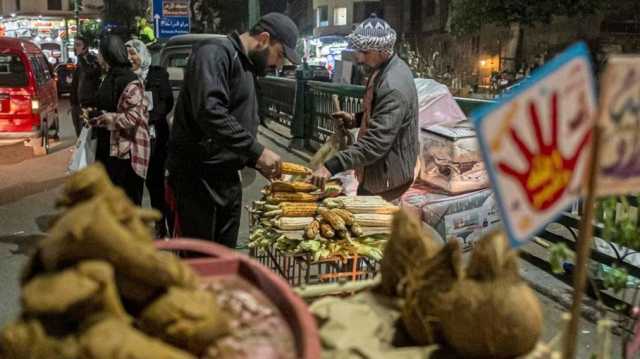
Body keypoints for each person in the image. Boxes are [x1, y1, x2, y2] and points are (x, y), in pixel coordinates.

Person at [167, 13, 300, 248]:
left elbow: (236, 123)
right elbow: (210, 111)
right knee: (201, 260)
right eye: (279, 55)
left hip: (227, 178)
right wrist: (256, 151)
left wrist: (254, 160)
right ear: (264, 38)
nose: (278, 65)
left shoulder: (247, 66)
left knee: (224, 255)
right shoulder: (215, 53)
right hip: (198, 179)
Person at [311, 14, 419, 203]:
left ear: (382, 50)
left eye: (365, 52)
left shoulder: (393, 85)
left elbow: (376, 143)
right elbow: (381, 112)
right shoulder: (383, 68)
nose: (359, 58)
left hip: (387, 179)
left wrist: (331, 166)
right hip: (376, 171)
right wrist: (356, 119)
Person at [90, 35, 150, 206]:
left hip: (126, 152)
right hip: (107, 147)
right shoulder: (108, 77)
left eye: (100, 53)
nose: (98, 57)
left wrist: (108, 118)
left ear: (108, 54)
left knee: (128, 204)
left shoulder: (129, 80)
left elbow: (133, 116)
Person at [126, 39, 174, 237]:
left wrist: (150, 119)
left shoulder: (158, 74)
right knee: (133, 185)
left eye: (134, 54)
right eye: (127, 55)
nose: (131, 59)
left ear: (142, 54)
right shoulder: (126, 77)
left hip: (156, 138)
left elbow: (167, 102)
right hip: (133, 139)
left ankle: (160, 225)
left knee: (156, 186)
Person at [70, 36, 101, 137]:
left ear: (85, 47)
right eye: (74, 45)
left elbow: (90, 73)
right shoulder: (79, 62)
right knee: (79, 136)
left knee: (86, 136)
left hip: (87, 106)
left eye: (78, 45)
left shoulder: (91, 60)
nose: (75, 48)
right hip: (76, 106)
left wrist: (81, 58)